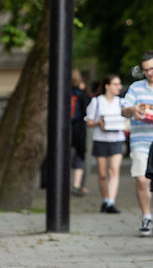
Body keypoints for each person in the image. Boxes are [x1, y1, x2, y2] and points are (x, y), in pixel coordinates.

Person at [122, 51, 153, 236]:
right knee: (142, 180)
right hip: (140, 140)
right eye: (145, 70)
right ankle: (146, 215)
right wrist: (132, 109)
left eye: (152, 68)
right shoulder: (136, 87)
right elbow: (123, 110)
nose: (149, 72)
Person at [85, 74, 125, 213]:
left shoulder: (121, 102)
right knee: (102, 174)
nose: (118, 87)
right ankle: (105, 199)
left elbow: (126, 119)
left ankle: (111, 202)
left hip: (117, 138)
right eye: (115, 84)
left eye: (119, 84)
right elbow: (88, 121)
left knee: (114, 170)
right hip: (101, 139)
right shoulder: (97, 101)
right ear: (107, 86)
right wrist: (98, 123)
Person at [71, 69, 91, 197]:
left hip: (64, 128)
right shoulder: (82, 94)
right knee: (80, 155)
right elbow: (87, 112)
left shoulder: (61, 91)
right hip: (79, 127)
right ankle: (77, 185)